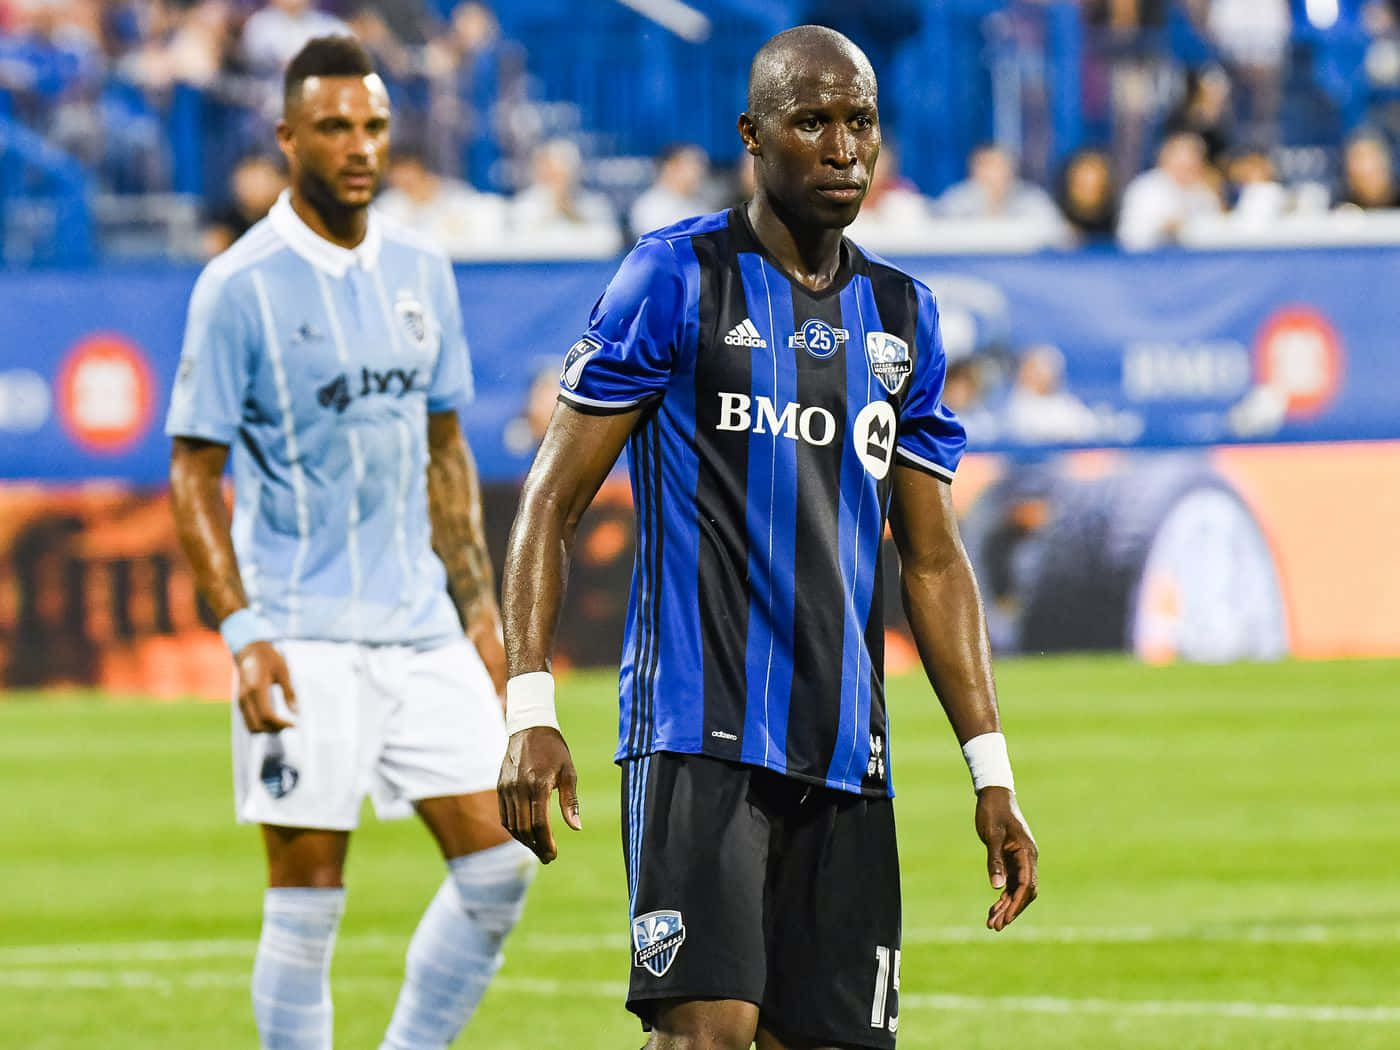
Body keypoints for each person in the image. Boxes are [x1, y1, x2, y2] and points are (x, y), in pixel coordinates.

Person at [496, 25, 1038, 1050]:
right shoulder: (672, 278)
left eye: (859, 123)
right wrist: (528, 705)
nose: (841, 148)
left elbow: (929, 557)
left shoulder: (903, 319)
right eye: (811, 122)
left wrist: (990, 772)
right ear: (753, 134)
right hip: (696, 734)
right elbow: (547, 504)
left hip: (847, 753)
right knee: (704, 1035)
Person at [165, 36, 534, 1050]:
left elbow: (445, 448)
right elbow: (193, 470)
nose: (359, 146)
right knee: (307, 900)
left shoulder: (422, 267)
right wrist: (242, 630)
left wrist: (478, 611)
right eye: (334, 127)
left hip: (418, 624)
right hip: (299, 631)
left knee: (500, 867)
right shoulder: (237, 285)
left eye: (373, 125)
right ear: (289, 138)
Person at [1117, 131, 1221, 250]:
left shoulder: (1203, 193)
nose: (1188, 167)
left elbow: (1214, 232)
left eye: (1193, 162)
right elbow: (1130, 236)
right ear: (1166, 159)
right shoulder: (1145, 189)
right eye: (1182, 163)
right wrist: (1164, 228)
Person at [628, 143, 713, 237]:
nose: (698, 172)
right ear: (670, 167)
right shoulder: (649, 207)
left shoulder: (700, 205)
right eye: (691, 166)